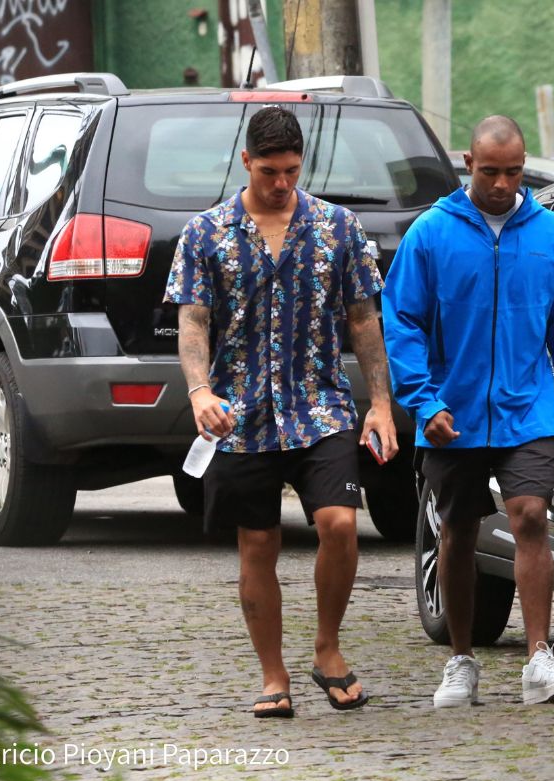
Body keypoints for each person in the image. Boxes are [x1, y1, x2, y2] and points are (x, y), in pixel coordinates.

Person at [164, 106, 397, 717]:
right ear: (246, 162)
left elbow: (364, 320)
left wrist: (380, 404)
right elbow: (193, 324)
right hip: (240, 414)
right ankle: (274, 675)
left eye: (292, 171)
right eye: (269, 171)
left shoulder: (338, 227)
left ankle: (327, 648)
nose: (281, 183)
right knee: (258, 542)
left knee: (340, 524)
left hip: (319, 406)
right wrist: (199, 391)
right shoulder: (206, 233)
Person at [383, 115, 554, 708]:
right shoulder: (431, 234)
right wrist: (424, 403)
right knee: (458, 531)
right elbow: (401, 323)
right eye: (491, 171)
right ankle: (461, 659)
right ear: (468, 165)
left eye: (514, 171)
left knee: (530, 516)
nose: (503, 183)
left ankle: (539, 660)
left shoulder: (552, 235)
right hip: (455, 412)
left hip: (529, 411)